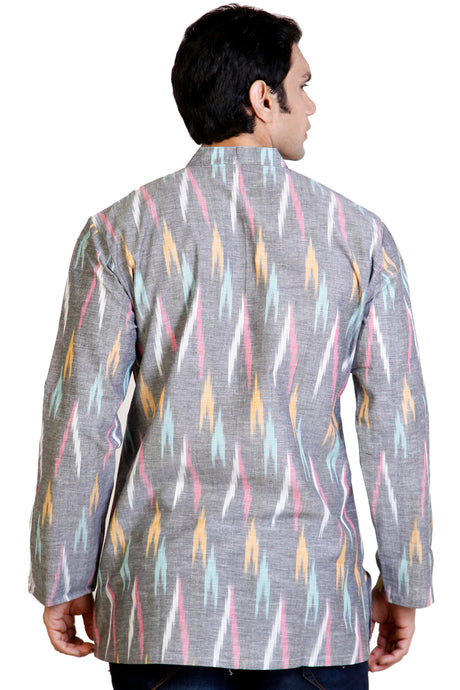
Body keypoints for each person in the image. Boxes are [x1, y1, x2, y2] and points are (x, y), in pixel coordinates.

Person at [30, 4, 433, 689]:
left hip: (163, 605)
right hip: (311, 605)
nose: (312, 105)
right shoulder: (358, 235)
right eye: (303, 85)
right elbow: (395, 421)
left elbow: (80, 418)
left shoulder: (120, 231)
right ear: (262, 98)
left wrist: (62, 575)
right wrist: (405, 580)